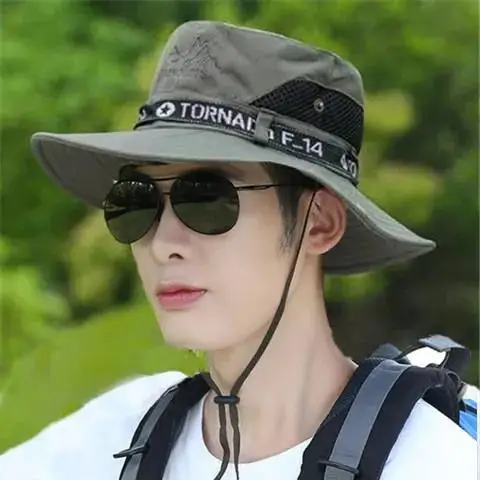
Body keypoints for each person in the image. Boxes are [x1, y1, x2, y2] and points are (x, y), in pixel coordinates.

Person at [0, 20, 476, 480]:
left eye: (206, 200)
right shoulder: (105, 443)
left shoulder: (435, 463)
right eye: (137, 203)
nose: (162, 244)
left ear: (319, 222)